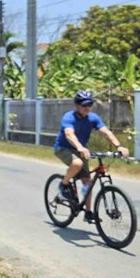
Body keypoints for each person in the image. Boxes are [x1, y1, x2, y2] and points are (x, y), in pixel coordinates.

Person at [53, 91, 129, 222]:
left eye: (89, 104)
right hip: (63, 148)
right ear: (76, 105)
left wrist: (119, 146)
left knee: (87, 182)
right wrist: (80, 147)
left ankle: (88, 212)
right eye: (83, 105)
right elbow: (69, 134)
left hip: (81, 150)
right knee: (77, 163)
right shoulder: (69, 117)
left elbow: (105, 132)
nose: (87, 107)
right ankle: (64, 185)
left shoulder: (93, 118)